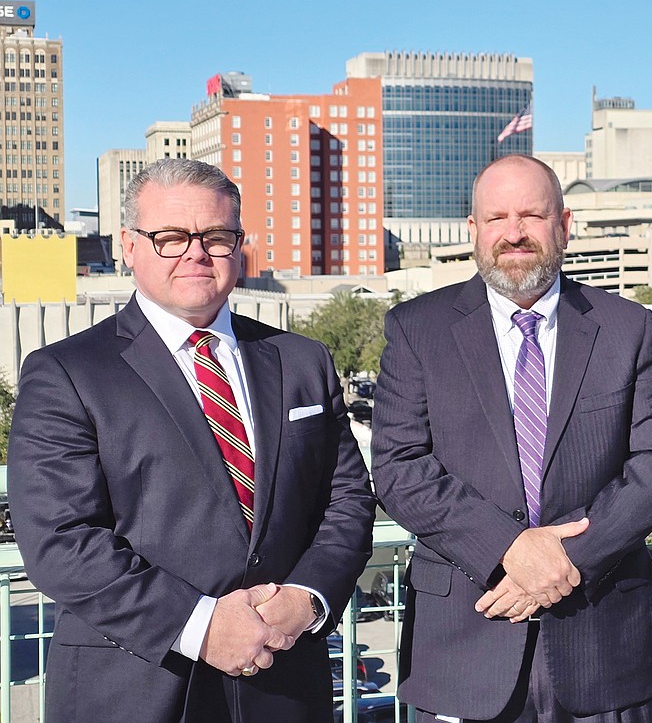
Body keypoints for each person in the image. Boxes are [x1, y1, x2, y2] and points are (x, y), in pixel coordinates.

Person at [8, 159, 377, 723]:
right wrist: (200, 625)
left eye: (217, 236)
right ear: (128, 246)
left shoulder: (303, 361)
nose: (197, 253)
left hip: (283, 681)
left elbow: (346, 498)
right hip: (135, 685)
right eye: (171, 237)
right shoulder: (67, 372)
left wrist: (307, 600)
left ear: (240, 244)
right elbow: (60, 538)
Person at [371, 154, 652, 723]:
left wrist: (564, 560)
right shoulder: (416, 329)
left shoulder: (625, 327)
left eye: (532, 216)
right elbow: (400, 467)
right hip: (465, 646)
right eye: (496, 218)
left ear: (563, 225)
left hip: (602, 648)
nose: (513, 233)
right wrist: (509, 549)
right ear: (473, 231)